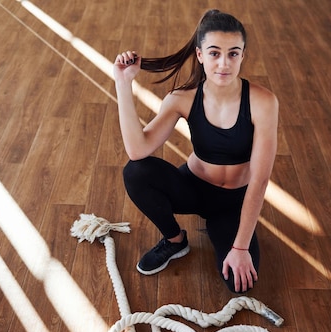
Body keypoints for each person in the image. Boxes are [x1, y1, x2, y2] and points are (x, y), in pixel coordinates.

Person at [113, 9, 278, 293]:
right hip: (194, 187)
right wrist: (123, 83)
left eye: (233, 53)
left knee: (238, 284)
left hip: (233, 201)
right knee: (136, 172)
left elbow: (260, 181)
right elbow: (137, 149)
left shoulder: (263, 102)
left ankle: (226, 233)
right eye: (214, 53)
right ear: (200, 55)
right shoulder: (182, 99)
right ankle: (175, 240)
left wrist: (240, 247)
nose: (224, 64)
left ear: (243, 55)